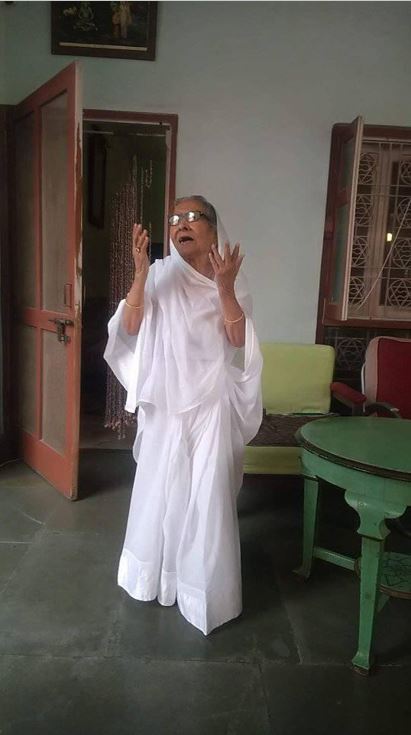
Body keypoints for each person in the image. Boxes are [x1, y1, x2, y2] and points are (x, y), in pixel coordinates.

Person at [104, 196, 263, 634]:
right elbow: (129, 329)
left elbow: (237, 341)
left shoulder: (230, 278)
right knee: (160, 490)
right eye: (174, 219)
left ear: (213, 229)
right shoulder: (158, 275)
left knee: (208, 497)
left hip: (211, 403)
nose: (181, 225)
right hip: (166, 406)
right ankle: (153, 577)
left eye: (193, 217)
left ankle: (201, 592)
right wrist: (140, 275)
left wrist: (225, 289)